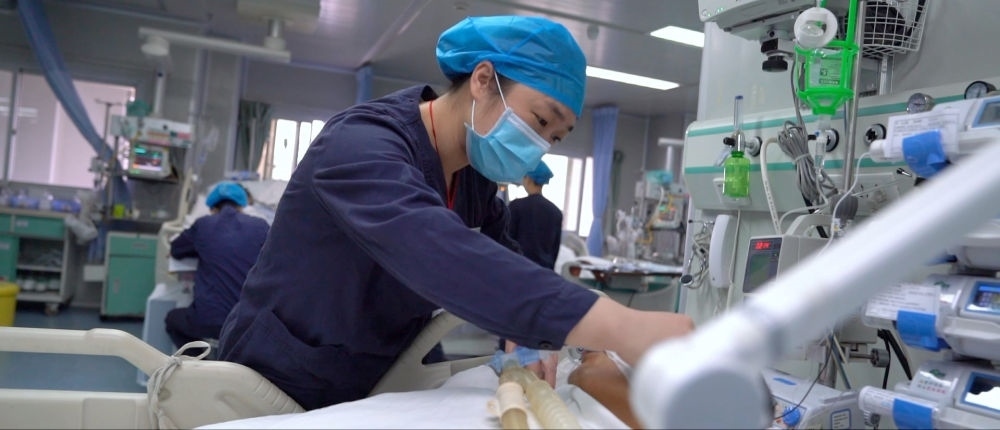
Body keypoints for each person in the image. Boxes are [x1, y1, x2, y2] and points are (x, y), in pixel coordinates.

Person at [217, 15, 693, 411]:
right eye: (540, 120)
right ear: (483, 80)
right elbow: (442, 253)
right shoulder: (360, 144)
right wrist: (624, 325)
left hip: (376, 374)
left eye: (554, 137)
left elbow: (503, 257)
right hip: (281, 375)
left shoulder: (474, 179)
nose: (540, 145)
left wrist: (524, 332)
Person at [165, 182, 270, 349]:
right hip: (246, 323)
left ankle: (199, 360)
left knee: (172, 320)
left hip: (209, 321)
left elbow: (176, 249)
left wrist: (202, 249)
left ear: (212, 207)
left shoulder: (203, 225)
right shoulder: (260, 226)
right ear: (242, 205)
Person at [508, 161, 563, 270]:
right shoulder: (556, 212)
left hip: (519, 267)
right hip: (544, 271)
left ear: (528, 179)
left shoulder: (516, 206)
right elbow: (555, 249)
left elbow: (508, 240)